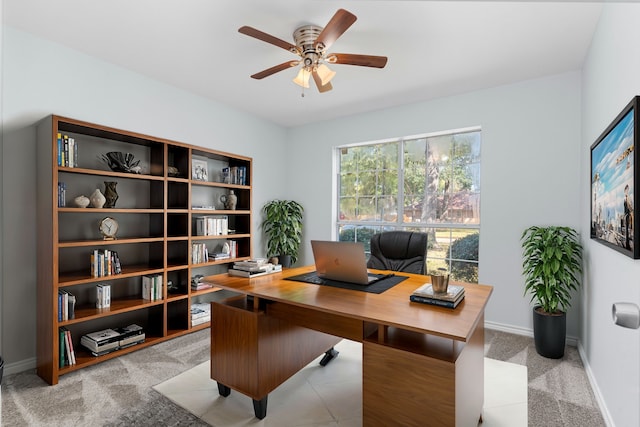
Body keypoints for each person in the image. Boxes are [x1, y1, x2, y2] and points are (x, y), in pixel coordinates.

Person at [623, 184, 633, 250]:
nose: (627, 191)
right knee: (627, 230)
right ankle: (627, 244)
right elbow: (626, 207)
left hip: (628, 215)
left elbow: (630, 207)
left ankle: (628, 244)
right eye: (626, 190)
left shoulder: (628, 197)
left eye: (628, 189)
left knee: (629, 229)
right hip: (626, 215)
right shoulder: (625, 198)